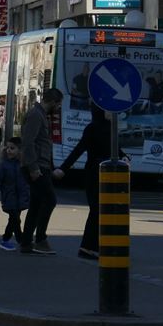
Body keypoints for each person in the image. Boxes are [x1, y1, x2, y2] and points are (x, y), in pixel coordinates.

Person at [54, 106, 124, 260]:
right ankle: (87, 247)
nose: (114, 113)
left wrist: (124, 156)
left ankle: (95, 246)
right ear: (101, 111)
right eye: (109, 110)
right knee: (96, 210)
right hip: (94, 173)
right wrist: (63, 168)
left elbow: (115, 149)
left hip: (107, 174)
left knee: (101, 210)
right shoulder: (93, 128)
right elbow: (79, 149)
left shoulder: (110, 128)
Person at [19, 86, 64, 255]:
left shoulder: (40, 115)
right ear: (52, 102)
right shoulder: (36, 115)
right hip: (36, 166)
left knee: (37, 203)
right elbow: (28, 142)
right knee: (50, 200)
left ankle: (26, 242)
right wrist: (33, 167)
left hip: (40, 165)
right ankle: (40, 239)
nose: (58, 108)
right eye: (58, 104)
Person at [0, 136, 30, 251]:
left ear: (19, 150)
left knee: (14, 219)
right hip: (9, 197)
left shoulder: (23, 165)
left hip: (21, 198)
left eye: (12, 148)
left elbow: (27, 182)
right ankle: (13, 239)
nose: (8, 151)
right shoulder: (4, 165)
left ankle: (13, 240)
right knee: (15, 219)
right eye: (7, 148)